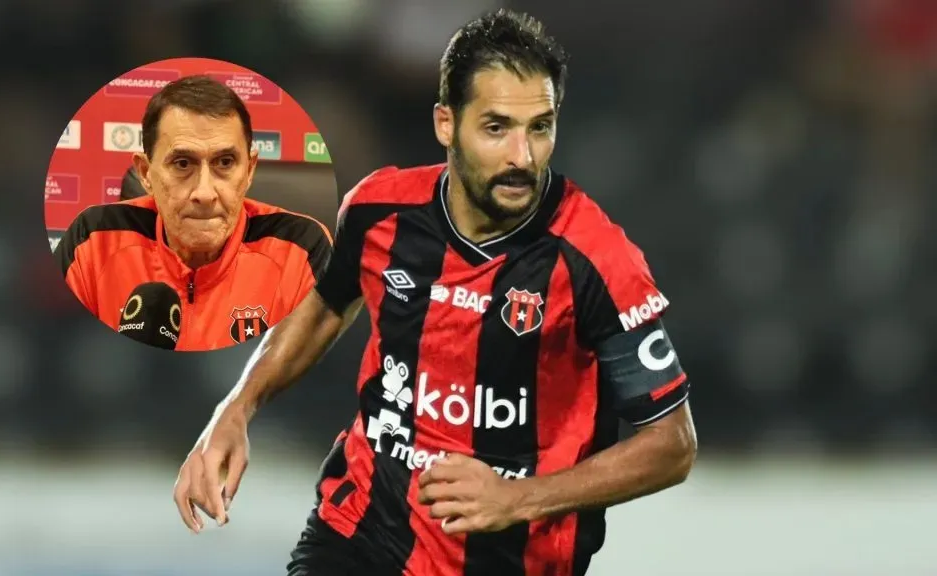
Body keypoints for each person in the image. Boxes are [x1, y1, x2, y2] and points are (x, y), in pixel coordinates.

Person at [173, 9, 697, 575]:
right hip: (359, 535)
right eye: (496, 128)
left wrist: (517, 499)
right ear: (446, 123)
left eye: (539, 127)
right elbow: (324, 307)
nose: (522, 156)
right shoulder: (380, 210)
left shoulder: (597, 259)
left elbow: (672, 442)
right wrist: (236, 410)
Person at [54, 75, 332, 351]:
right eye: (183, 163)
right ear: (145, 173)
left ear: (249, 170)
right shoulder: (93, 240)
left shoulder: (302, 249)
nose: (205, 193)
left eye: (224, 162)